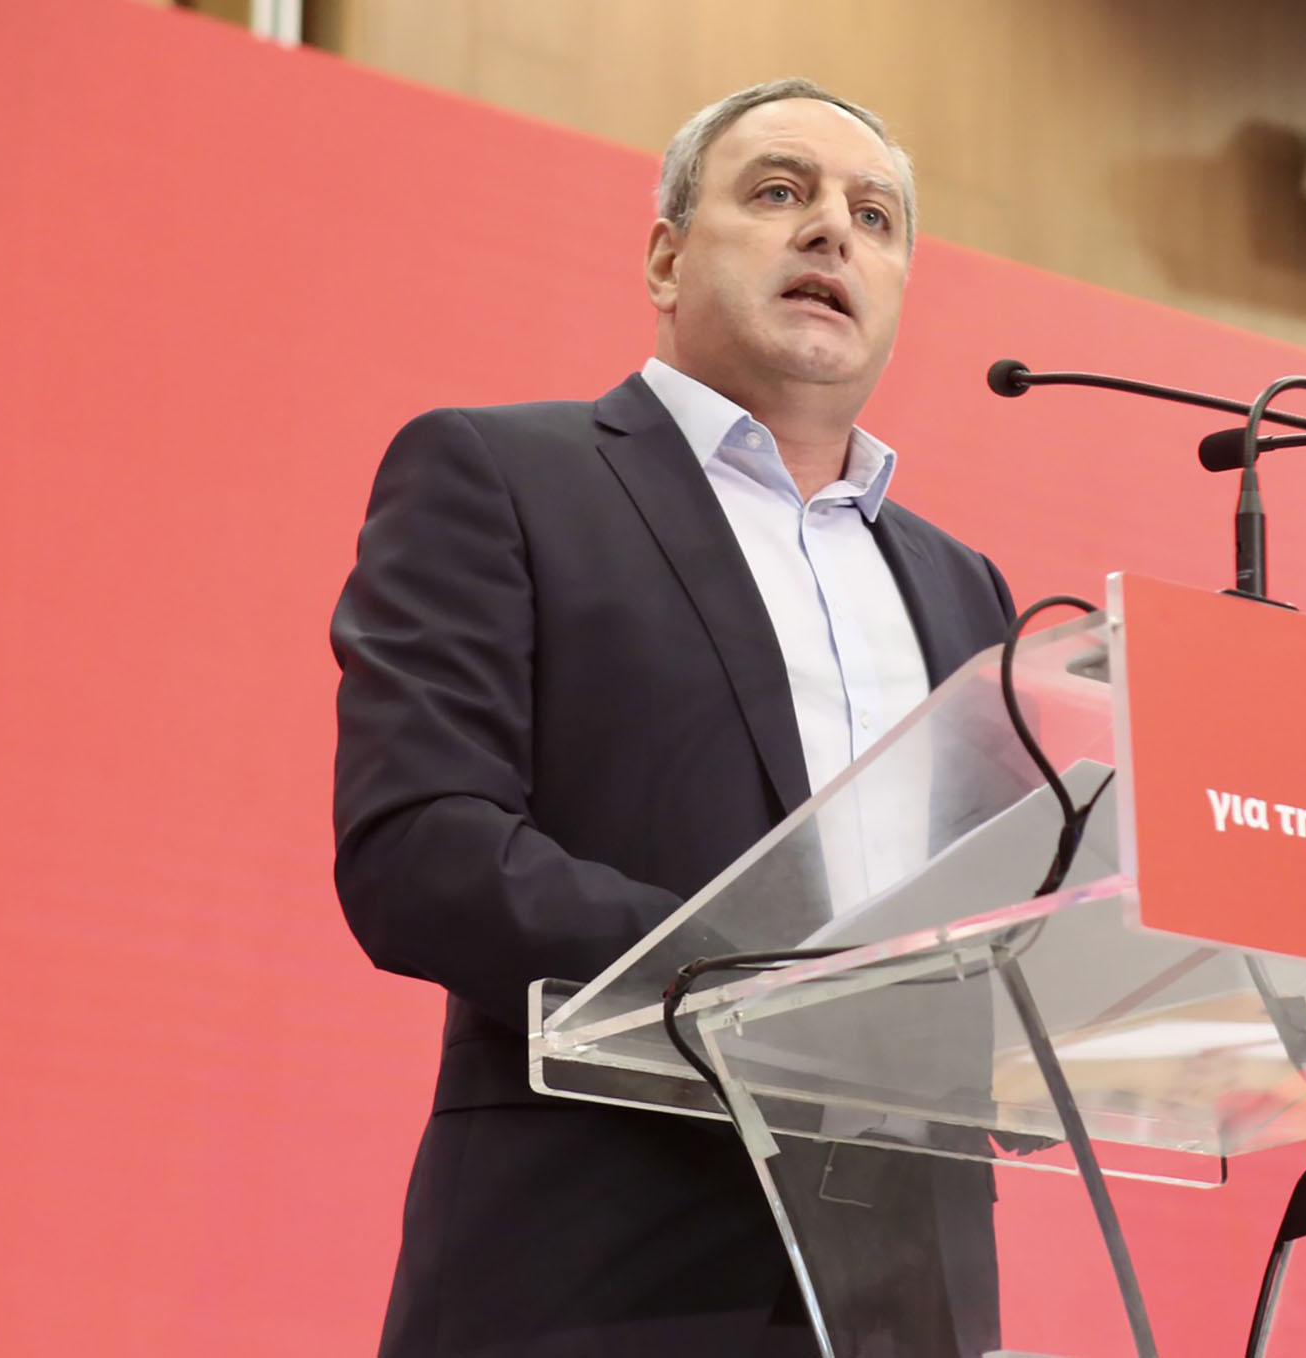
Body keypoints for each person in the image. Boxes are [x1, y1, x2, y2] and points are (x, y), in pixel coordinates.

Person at [332, 79, 1015, 1356]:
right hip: (598, 1276)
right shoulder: (503, 475)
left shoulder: (964, 587)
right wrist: (765, 993)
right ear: (664, 256)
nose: (831, 230)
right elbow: (419, 848)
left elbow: (1000, 924)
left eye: (873, 217)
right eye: (778, 192)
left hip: (907, 1295)